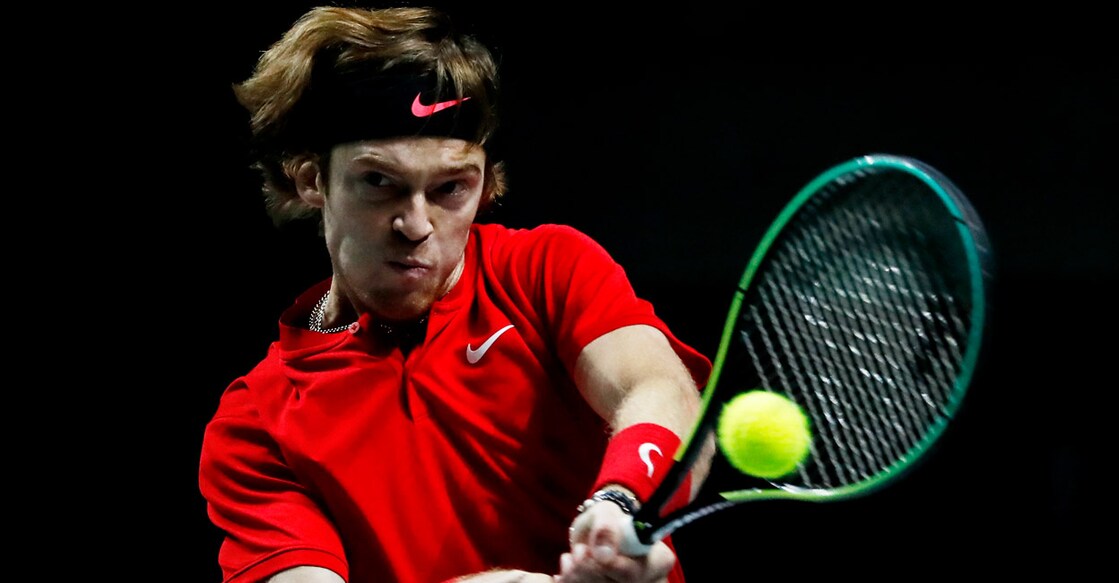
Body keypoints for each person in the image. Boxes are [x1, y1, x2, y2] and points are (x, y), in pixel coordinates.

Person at [198, 5, 715, 582]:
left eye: (450, 188)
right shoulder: (255, 426)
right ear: (312, 178)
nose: (416, 224)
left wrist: (621, 503)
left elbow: (660, 391)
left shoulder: (545, 270)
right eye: (380, 182)